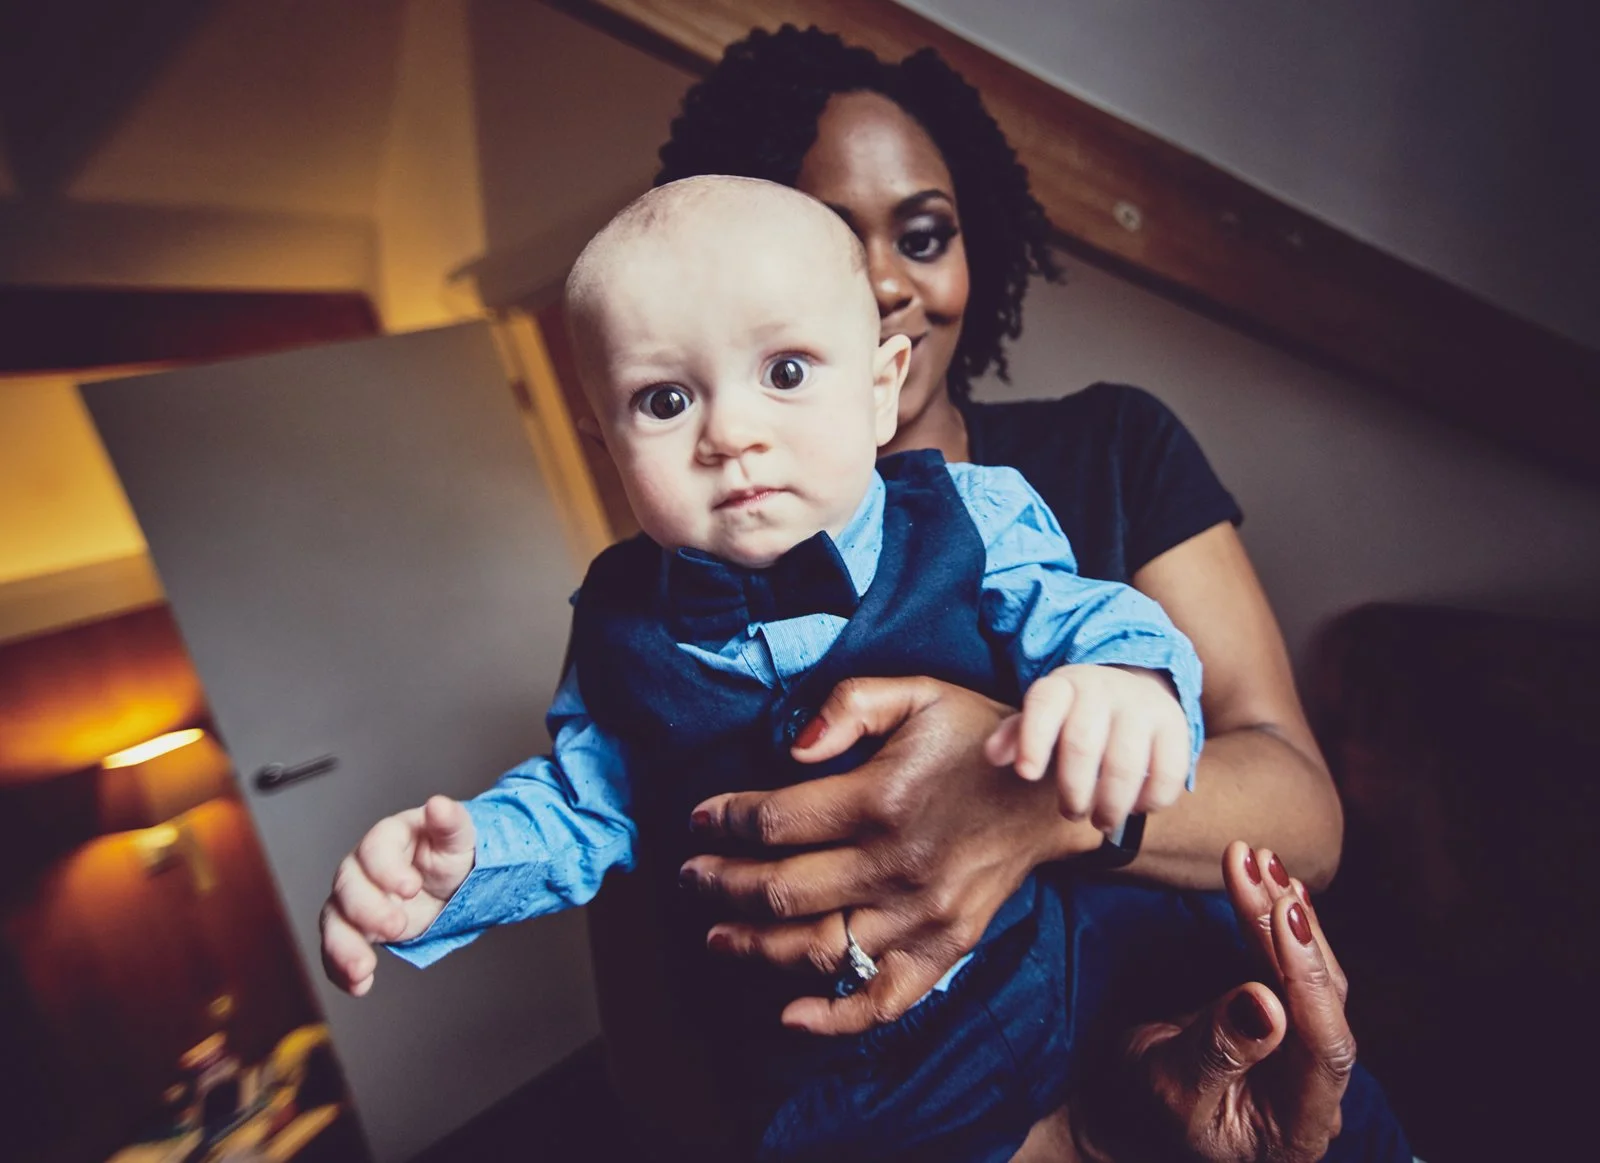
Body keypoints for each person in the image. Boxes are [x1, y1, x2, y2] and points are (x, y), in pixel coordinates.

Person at [590, 24, 1397, 1160]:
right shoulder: (661, 611)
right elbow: (653, 1039)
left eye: (924, 234)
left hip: (1232, 1094)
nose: (883, 282)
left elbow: (1301, 814)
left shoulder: (1115, 450)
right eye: (822, 238)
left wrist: (1022, 794)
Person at [322, 175, 1211, 1162]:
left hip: (1057, 972)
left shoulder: (977, 513)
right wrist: (462, 869)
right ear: (602, 436)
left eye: (785, 371)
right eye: (664, 399)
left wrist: (1125, 685)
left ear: (880, 387)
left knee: (1218, 991)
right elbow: (584, 803)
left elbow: (1093, 618)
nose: (730, 433)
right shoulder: (616, 625)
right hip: (842, 1085)